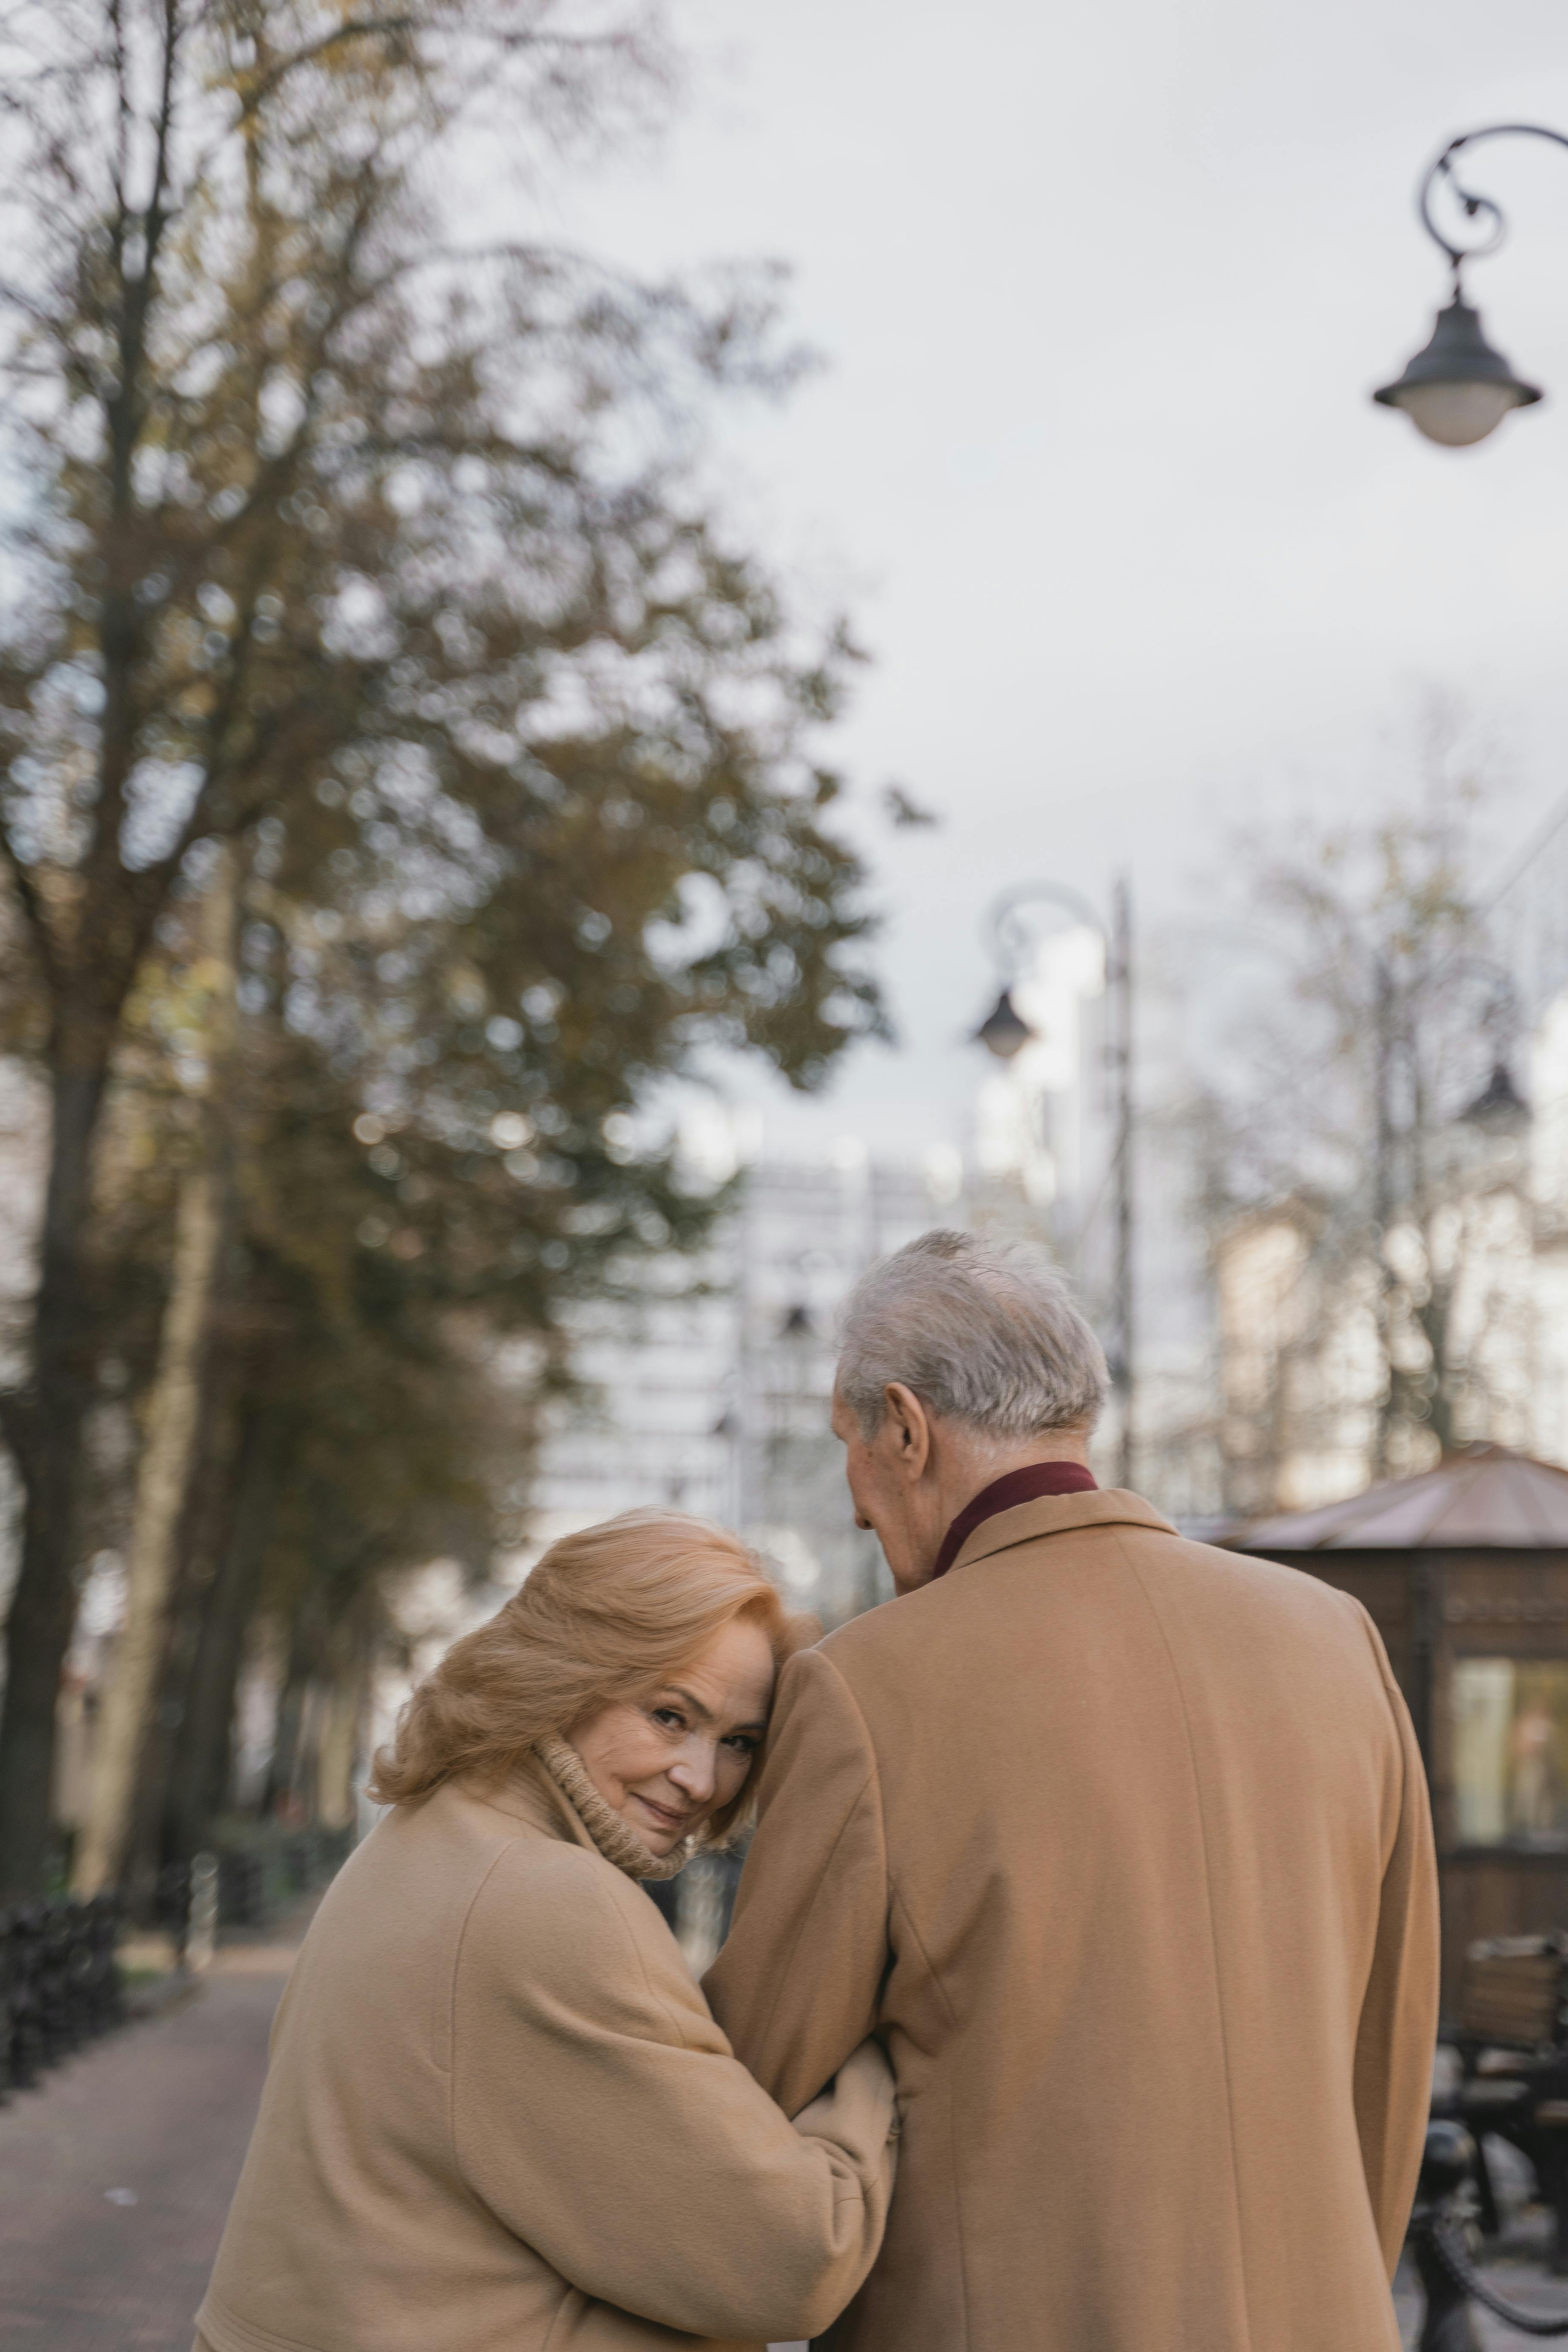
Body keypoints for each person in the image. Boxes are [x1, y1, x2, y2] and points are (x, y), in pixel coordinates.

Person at [706, 1229, 1439, 2352]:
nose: (857, 1505)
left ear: (904, 1428)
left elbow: (752, 2082)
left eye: (849, 1448)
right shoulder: (1336, 1638)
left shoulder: (864, 1686)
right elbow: (1390, 2053)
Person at [195, 1512, 897, 2352]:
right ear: (567, 1677)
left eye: (738, 1741)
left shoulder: (425, 1831)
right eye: (671, 1714)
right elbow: (792, 2260)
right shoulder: (550, 1899)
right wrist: (876, 2050)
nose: (702, 1778)